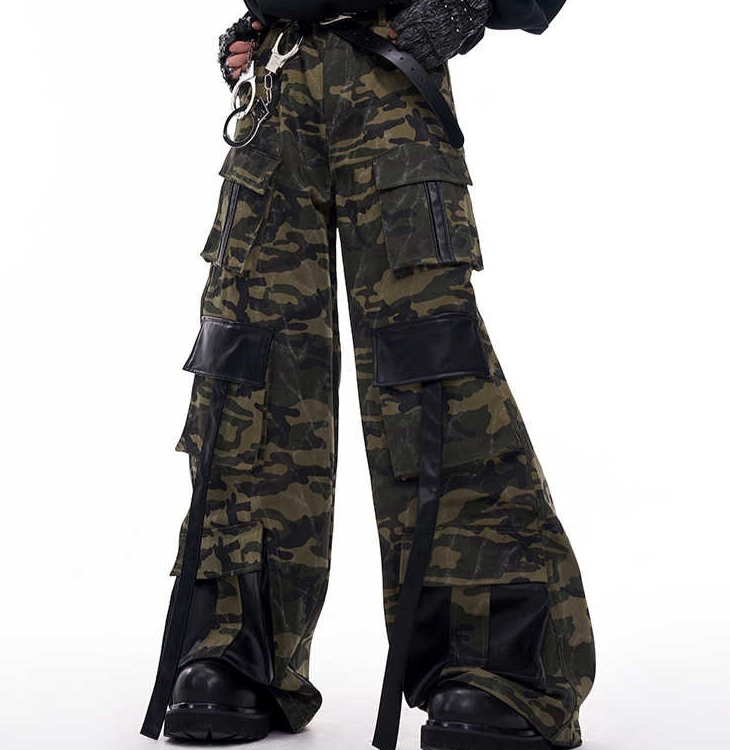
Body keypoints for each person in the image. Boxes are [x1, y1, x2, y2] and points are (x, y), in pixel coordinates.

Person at [141, 2, 596, 749]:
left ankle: (496, 664)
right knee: (246, 367)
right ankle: (237, 644)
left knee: (431, 369)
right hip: (279, 83)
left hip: (388, 71)